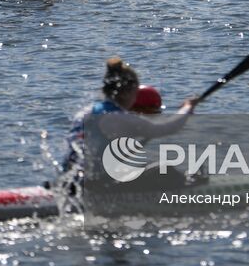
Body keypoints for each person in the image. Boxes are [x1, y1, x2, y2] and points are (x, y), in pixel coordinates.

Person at [63, 57, 196, 180]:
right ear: (127, 92)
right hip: (97, 186)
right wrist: (187, 107)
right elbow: (167, 128)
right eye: (135, 93)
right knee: (166, 170)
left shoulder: (85, 112)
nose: (135, 98)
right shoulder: (118, 118)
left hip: (71, 181)